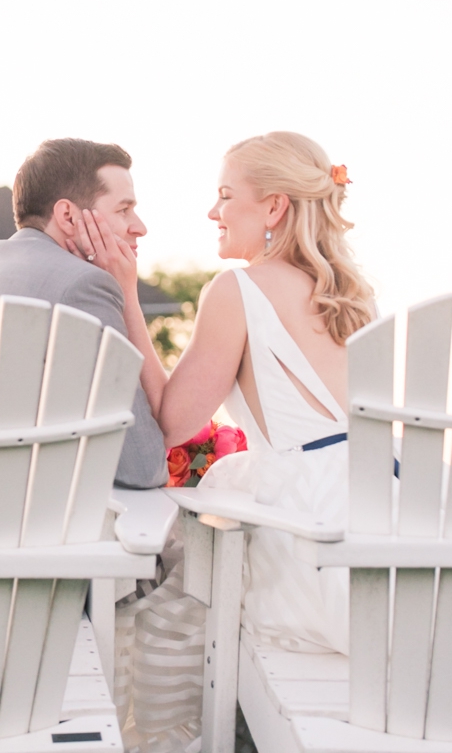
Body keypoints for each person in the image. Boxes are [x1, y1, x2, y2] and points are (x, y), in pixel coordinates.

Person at [73, 130, 375, 656]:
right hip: (378, 513)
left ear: (274, 207)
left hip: (309, 535)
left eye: (227, 196)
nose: (215, 212)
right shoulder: (353, 297)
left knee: (161, 613)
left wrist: (125, 293)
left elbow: (174, 424)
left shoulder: (240, 289)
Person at [0, 138, 167, 489]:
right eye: (123, 210)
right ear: (68, 216)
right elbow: (143, 468)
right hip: (9, 523)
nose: (139, 226)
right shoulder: (84, 287)